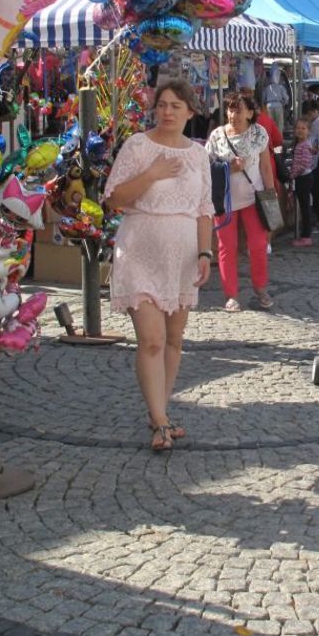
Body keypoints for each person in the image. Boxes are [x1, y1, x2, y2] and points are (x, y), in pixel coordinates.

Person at [103, 80, 214, 452]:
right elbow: (113, 199)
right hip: (140, 252)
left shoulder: (198, 155)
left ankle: (158, 413)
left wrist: (205, 253)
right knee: (151, 339)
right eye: (162, 105)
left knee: (174, 338)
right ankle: (162, 421)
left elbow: (204, 210)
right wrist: (151, 174)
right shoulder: (137, 145)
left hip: (181, 258)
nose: (167, 112)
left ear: (190, 112)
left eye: (175, 106)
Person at [205, 91, 276, 311]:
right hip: (224, 200)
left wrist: (270, 194)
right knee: (227, 247)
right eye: (230, 109)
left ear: (250, 112)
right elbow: (205, 167)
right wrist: (229, 168)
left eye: (238, 109)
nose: (233, 114)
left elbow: (265, 166)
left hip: (252, 198)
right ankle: (231, 294)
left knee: (257, 244)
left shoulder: (258, 133)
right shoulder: (217, 135)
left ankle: (261, 289)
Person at [289, 119, 317, 247]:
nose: (300, 130)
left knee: (305, 208)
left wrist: (293, 174)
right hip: (302, 178)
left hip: (303, 178)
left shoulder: (304, 145)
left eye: (303, 128)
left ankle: (306, 236)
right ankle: (305, 234)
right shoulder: (302, 144)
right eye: (298, 128)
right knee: (304, 207)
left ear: (308, 131)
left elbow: (303, 164)